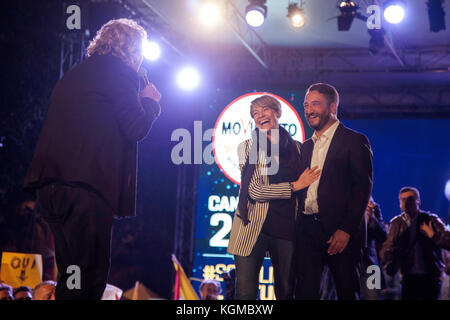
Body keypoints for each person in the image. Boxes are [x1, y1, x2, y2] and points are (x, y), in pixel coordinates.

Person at [23, 19, 161, 300]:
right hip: (85, 190)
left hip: (52, 188)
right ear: (134, 51)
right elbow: (134, 127)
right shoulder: (122, 74)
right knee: (89, 278)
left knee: (71, 276)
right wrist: (150, 101)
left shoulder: (75, 74)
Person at [227, 95, 321, 300]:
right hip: (251, 227)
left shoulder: (298, 147)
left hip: (287, 228)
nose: (260, 116)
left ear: (277, 112)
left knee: (286, 292)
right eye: (255, 113)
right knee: (246, 294)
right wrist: (296, 185)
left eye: (265, 110)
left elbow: (310, 187)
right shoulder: (247, 147)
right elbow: (255, 191)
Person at [294, 83, 373, 300]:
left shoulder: (354, 141)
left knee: (347, 291)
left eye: (316, 104)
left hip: (341, 233)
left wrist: (346, 230)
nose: (309, 110)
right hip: (307, 231)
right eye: (306, 105)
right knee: (304, 294)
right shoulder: (305, 147)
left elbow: (362, 187)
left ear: (333, 106)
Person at [380, 186, 446, 300]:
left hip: (430, 277)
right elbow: (387, 247)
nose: (406, 202)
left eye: (410, 199)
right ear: (400, 203)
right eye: (403, 199)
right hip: (408, 277)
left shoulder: (431, 220)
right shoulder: (396, 223)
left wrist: (433, 236)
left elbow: (448, 241)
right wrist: (388, 254)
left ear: (418, 201)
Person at [360, 197, 387, 300]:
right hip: (348, 261)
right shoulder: (344, 202)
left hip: (370, 263)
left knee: (374, 297)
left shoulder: (373, 207)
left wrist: (372, 218)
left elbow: (383, 235)